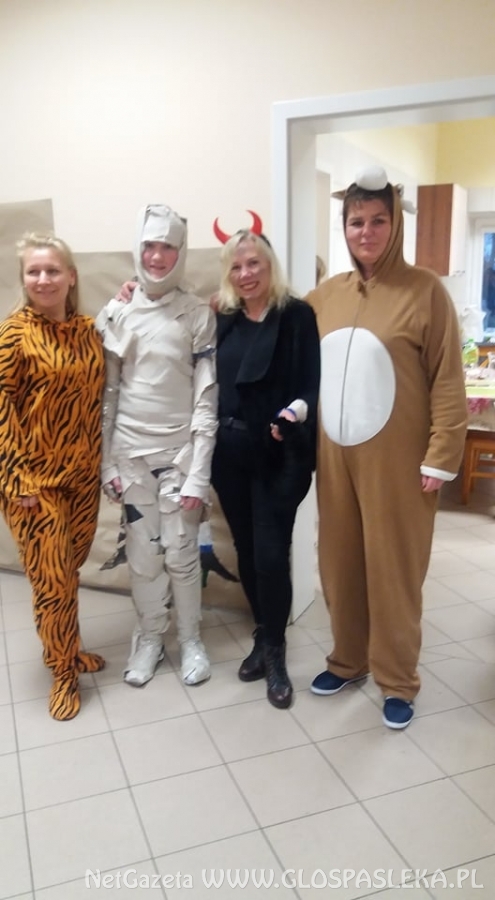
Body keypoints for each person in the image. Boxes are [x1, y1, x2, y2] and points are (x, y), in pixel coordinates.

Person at [306, 166, 467, 729]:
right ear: (344, 227)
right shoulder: (324, 297)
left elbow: (448, 380)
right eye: (357, 222)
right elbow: (272, 326)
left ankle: (398, 679)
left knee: (394, 571)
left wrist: (441, 457)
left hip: (399, 463)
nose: (367, 232)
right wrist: (219, 305)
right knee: (339, 565)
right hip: (335, 459)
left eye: (378, 221)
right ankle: (348, 660)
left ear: (395, 224)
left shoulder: (426, 292)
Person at [96, 205, 217, 688]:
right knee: (144, 560)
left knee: (182, 554)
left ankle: (190, 640)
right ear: (138, 248)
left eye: (168, 246)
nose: (157, 256)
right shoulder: (117, 313)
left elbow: (206, 399)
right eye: (150, 245)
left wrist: (198, 475)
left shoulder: (197, 314)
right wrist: (106, 464)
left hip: (180, 457)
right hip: (130, 456)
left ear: (180, 251)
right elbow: (108, 394)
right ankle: (149, 638)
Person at [211, 229, 320, 709]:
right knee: (247, 550)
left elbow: (311, 385)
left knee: (272, 555)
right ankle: (263, 634)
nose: (245, 274)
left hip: (278, 452)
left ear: (270, 264)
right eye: (236, 267)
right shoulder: (225, 319)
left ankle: (275, 652)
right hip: (229, 453)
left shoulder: (296, 315)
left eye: (253, 263)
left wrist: (293, 413)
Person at [0, 233, 106, 721]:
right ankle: (63, 673)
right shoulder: (14, 334)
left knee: (69, 571)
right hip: (34, 486)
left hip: (82, 478)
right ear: (24, 279)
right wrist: (15, 480)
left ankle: (69, 647)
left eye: (52, 270)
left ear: (71, 276)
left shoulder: (88, 330)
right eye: (33, 271)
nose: (43, 279)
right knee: (53, 581)